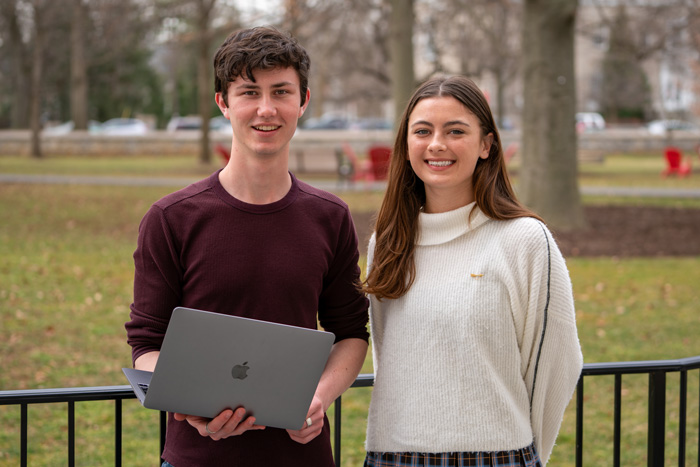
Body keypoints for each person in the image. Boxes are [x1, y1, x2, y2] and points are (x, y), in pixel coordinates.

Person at [125, 26, 369, 467]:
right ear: (223, 103)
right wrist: (193, 405)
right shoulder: (171, 218)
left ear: (303, 102)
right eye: (249, 92)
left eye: (281, 92)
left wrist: (318, 397)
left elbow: (351, 333)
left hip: (303, 456)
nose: (266, 109)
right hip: (196, 457)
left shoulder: (330, 217)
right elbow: (146, 344)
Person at [361, 75, 583, 466]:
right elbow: (390, 356)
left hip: (496, 456)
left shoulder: (524, 240)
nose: (437, 144)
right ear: (407, 144)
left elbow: (557, 364)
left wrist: (523, 453)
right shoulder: (388, 241)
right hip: (392, 454)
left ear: (486, 145)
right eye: (423, 131)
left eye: (455, 131)